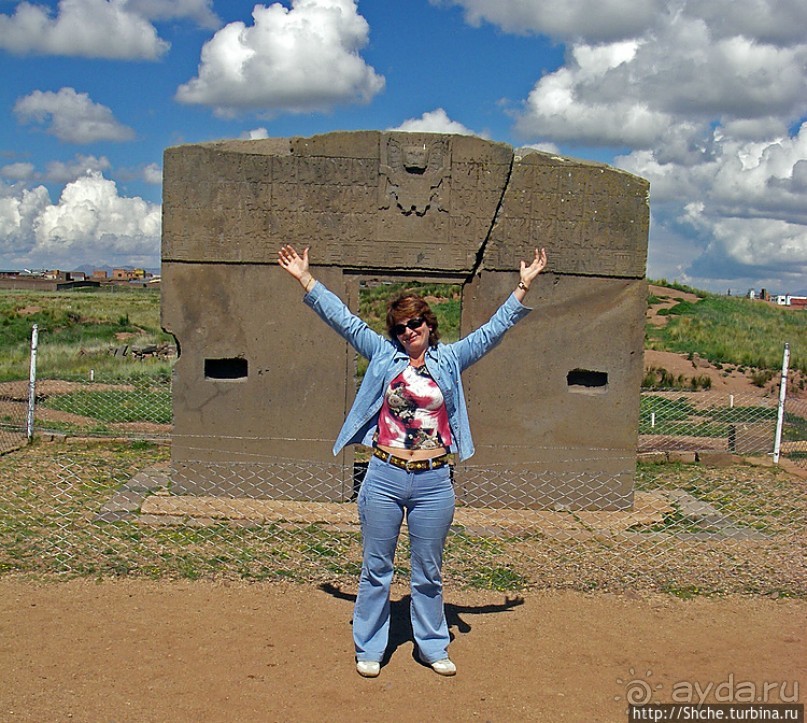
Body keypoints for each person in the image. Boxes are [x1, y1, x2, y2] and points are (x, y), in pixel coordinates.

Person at [277, 244, 548, 678]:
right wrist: (306, 280)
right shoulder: (384, 355)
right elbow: (344, 321)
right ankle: (369, 647)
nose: (409, 331)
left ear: (429, 324)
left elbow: (491, 332)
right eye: (401, 326)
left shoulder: (451, 358)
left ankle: (432, 646)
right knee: (376, 569)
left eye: (416, 322)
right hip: (383, 475)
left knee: (428, 572)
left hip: (434, 480)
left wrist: (523, 284)